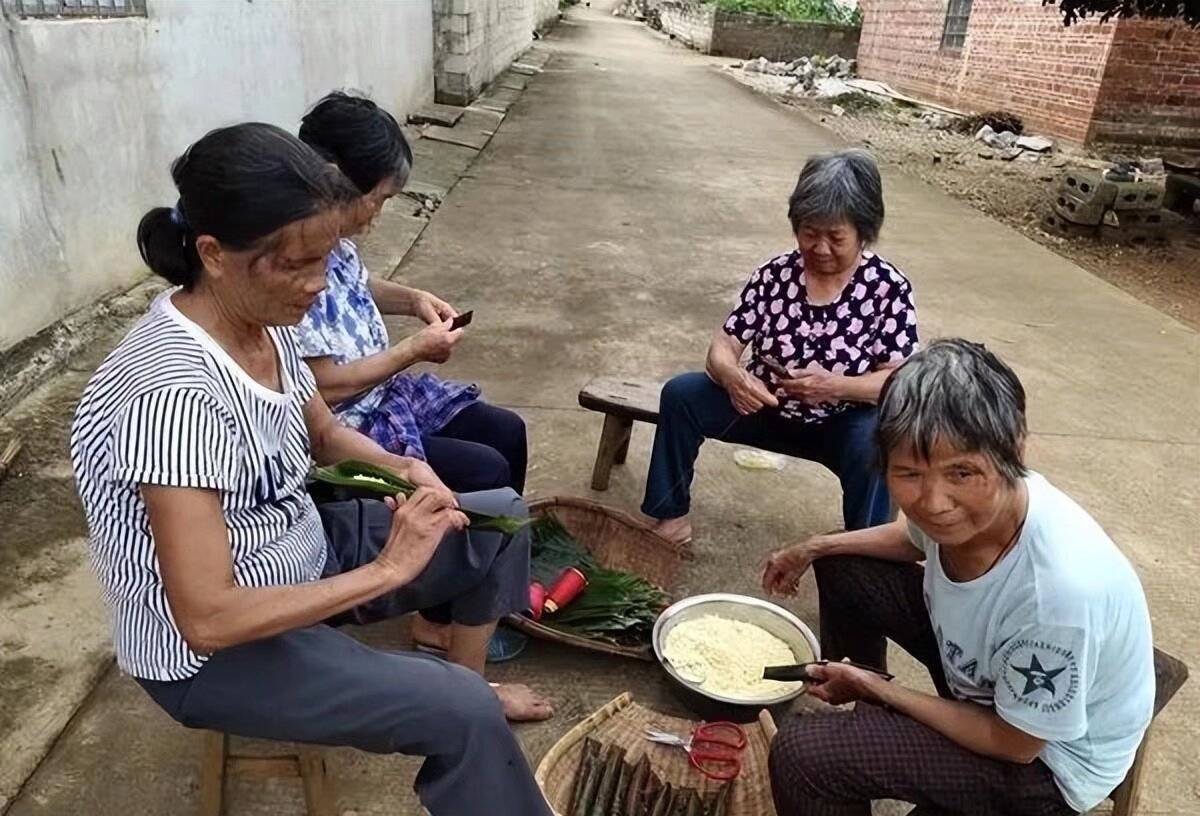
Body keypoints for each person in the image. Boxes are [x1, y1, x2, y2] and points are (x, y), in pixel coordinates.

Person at [69, 123, 553, 816]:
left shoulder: (264, 321)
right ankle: (465, 707)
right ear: (213, 254)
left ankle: (467, 681)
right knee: (459, 714)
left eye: (325, 259)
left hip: (298, 553)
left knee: (495, 520)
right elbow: (206, 617)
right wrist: (388, 569)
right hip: (211, 656)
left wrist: (404, 465)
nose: (317, 284)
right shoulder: (172, 394)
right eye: (297, 264)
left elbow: (323, 435)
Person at [762, 339, 1154, 816]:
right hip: (984, 677)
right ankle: (865, 731)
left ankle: (865, 718)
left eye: (962, 473)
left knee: (803, 754)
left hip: (1046, 765)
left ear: (1013, 450)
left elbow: (1016, 743)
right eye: (909, 473)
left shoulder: (1058, 594)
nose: (934, 502)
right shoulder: (978, 508)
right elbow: (913, 534)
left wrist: (881, 690)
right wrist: (815, 546)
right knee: (845, 562)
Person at [641, 150, 918, 544]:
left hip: (840, 423)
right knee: (682, 395)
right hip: (762, 407)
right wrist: (734, 377)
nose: (820, 248)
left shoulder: (887, 288)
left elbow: (898, 381)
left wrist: (834, 386)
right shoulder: (775, 275)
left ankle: (865, 553)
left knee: (880, 437)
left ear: (863, 231)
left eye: (835, 237)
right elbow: (724, 344)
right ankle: (670, 518)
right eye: (809, 233)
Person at [296, 91, 527, 495]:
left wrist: (412, 299)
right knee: (485, 471)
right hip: (349, 423)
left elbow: (355, 284)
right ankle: (467, 550)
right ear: (337, 185)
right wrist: (413, 350)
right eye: (379, 200)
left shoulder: (333, 244)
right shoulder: (292, 267)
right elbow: (323, 389)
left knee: (507, 431)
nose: (379, 214)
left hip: (382, 397)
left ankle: (506, 549)